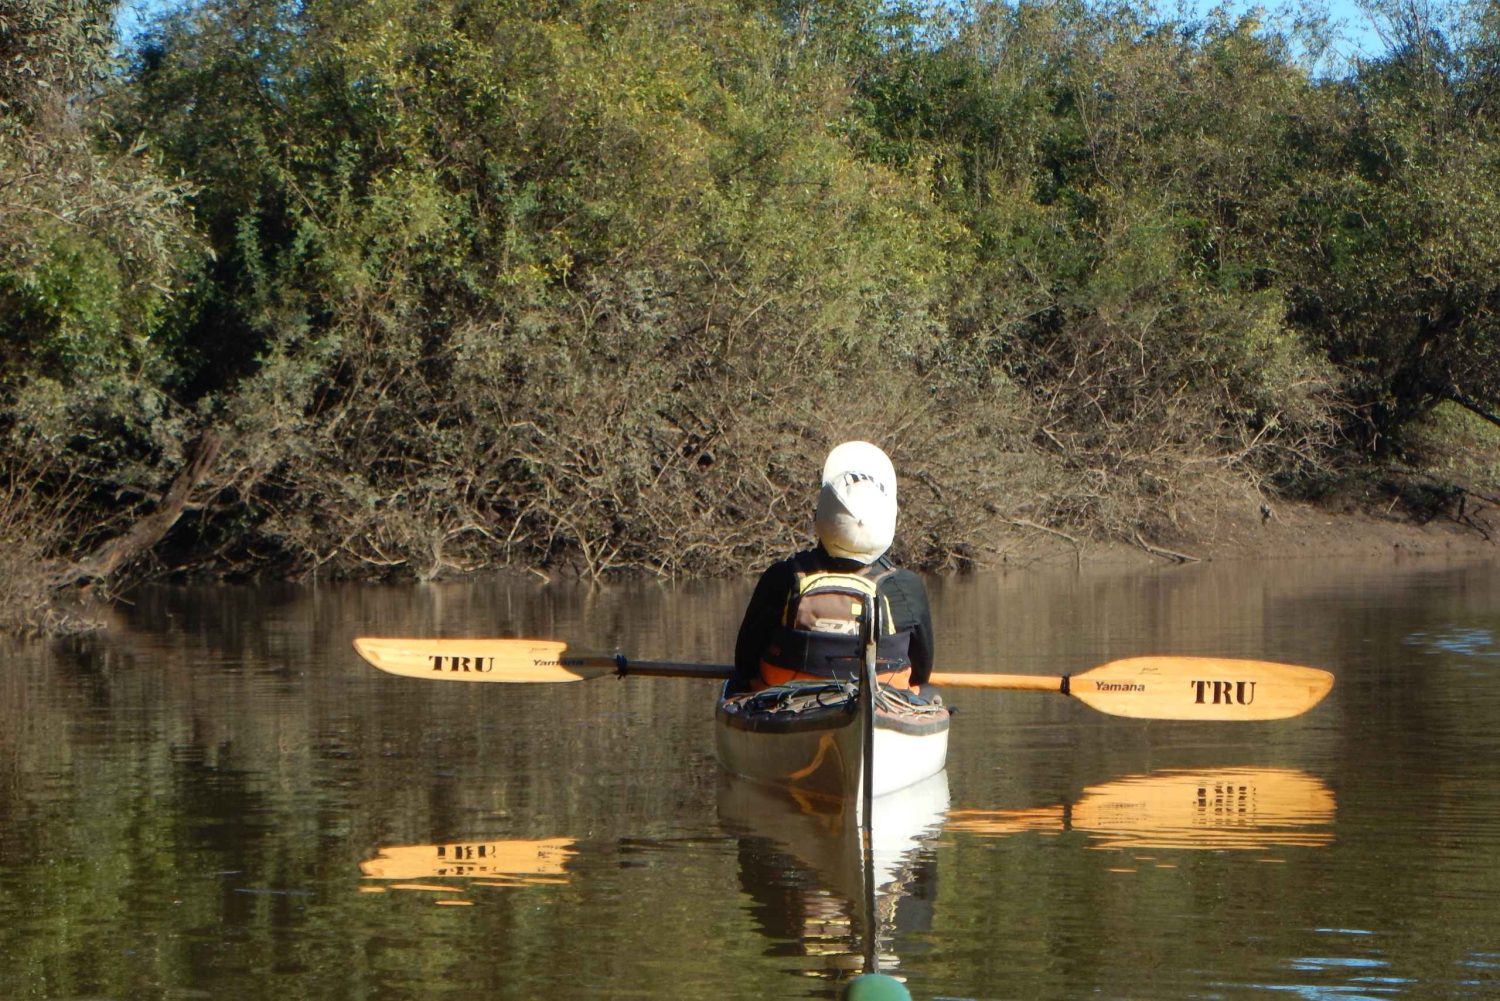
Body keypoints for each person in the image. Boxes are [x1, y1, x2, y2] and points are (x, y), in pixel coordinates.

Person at [732, 441, 935, 694]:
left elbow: (745, 663)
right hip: (883, 700)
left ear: (821, 515)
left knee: (735, 686)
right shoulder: (906, 587)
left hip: (785, 700)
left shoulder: (781, 578)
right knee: (927, 692)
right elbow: (922, 671)